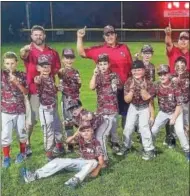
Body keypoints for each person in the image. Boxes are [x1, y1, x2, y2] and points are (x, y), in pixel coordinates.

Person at [77, 25, 133, 129]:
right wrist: (80, 37)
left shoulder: (124, 48)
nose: (109, 37)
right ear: (104, 37)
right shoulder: (99, 49)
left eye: (111, 34)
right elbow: (81, 53)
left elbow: (131, 67)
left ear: (116, 35)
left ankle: (126, 136)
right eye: (107, 35)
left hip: (124, 87)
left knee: (126, 113)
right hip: (108, 90)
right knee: (110, 114)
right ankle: (112, 138)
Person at [20, 25, 61, 156]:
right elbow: (22, 54)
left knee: (53, 119)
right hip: (33, 91)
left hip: (49, 92)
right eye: (35, 34)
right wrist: (24, 49)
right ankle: (26, 144)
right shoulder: (29, 51)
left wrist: (49, 74)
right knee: (31, 120)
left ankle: (56, 144)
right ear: (32, 36)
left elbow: (57, 68)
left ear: (44, 36)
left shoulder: (52, 52)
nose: (38, 36)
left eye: (40, 34)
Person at [22, 125, 104, 189]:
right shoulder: (80, 139)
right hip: (80, 162)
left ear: (92, 132)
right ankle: (35, 175)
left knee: (94, 162)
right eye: (83, 131)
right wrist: (75, 134)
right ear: (80, 133)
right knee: (58, 160)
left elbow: (101, 161)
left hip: (90, 165)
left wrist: (96, 171)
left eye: (88, 131)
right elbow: (67, 141)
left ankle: (74, 181)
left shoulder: (95, 143)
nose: (85, 133)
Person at [117, 60, 155, 160]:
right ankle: (126, 146)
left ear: (143, 70)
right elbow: (126, 100)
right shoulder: (129, 82)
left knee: (144, 128)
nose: (136, 72)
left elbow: (148, 98)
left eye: (138, 70)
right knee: (128, 127)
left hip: (144, 107)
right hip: (133, 106)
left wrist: (142, 88)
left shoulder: (149, 82)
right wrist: (132, 90)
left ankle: (149, 149)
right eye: (134, 70)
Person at [151, 64, 189, 161]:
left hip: (176, 112)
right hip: (163, 112)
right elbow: (149, 98)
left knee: (180, 131)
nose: (162, 76)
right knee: (154, 130)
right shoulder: (156, 85)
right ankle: (150, 148)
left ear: (169, 75)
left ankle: (187, 150)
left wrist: (174, 118)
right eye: (160, 74)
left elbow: (179, 105)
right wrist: (151, 115)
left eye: (165, 74)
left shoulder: (175, 86)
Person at [89, 53, 122, 153]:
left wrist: (116, 83)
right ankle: (99, 145)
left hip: (113, 107)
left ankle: (114, 142)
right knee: (102, 127)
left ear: (108, 64)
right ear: (97, 65)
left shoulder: (113, 75)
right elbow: (91, 87)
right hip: (102, 108)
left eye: (105, 64)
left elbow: (119, 87)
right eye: (100, 64)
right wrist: (94, 75)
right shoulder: (97, 76)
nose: (103, 66)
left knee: (114, 127)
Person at [1, 52, 28, 168]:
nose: (10, 66)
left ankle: (22, 153)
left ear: (16, 63)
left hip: (20, 110)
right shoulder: (2, 75)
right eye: (7, 63)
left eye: (12, 63)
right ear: (3, 64)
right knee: (6, 135)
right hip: (6, 111)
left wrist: (16, 82)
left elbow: (26, 92)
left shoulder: (22, 75)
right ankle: (6, 157)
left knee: (22, 134)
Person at [34, 55, 63, 161]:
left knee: (58, 127)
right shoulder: (39, 78)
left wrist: (57, 88)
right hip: (46, 110)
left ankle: (59, 147)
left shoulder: (50, 77)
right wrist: (37, 81)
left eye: (47, 66)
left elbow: (51, 90)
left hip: (53, 107)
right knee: (48, 131)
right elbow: (37, 83)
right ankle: (49, 153)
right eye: (43, 66)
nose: (46, 68)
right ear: (38, 68)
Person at [164, 25, 189, 147]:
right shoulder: (174, 51)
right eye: (181, 38)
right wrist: (168, 34)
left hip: (186, 90)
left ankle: (185, 135)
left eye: (186, 38)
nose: (183, 40)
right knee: (170, 112)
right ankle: (170, 137)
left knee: (185, 113)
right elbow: (168, 43)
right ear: (178, 40)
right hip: (172, 88)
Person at [57, 48, 81, 152]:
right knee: (68, 123)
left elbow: (78, 86)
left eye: (71, 58)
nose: (69, 60)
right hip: (66, 100)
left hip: (76, 100)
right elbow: (60, 75)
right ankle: (70, 143)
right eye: (66, 58)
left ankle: (79, 140)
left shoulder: (76, 71)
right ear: (62, 59)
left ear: (74, 59)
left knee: (79, 121)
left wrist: (79, 83)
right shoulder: (61, 71)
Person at [172, 57, 189, 140]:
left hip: (186, 103)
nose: (180, 68)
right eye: (178, 66)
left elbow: (185, 88)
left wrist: (178, 80)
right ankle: (173, 136)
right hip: (175, 104)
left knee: (186, 119)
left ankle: (186, 135)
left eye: (182, 66)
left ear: (185, 67)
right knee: (175, 119)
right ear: (175, 67)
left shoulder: (188, 76)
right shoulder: (172, 76)